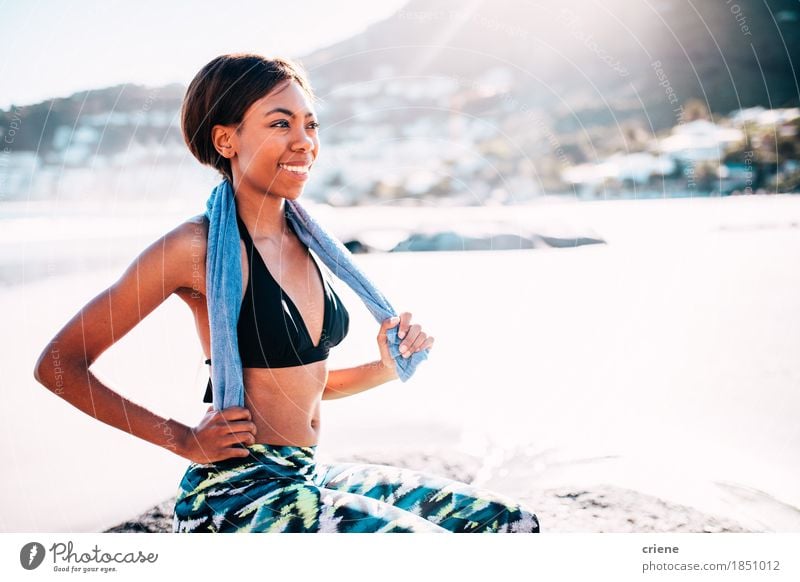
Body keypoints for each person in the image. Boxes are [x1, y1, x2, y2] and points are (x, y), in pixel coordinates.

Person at [33, 53, 540, 533]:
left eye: (310, 124)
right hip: (237, 494)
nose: (305, 142)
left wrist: (386, 366)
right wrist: (182, 439)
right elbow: (59, 364)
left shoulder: (311, 240)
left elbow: (305, 387)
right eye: (281, 123)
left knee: (513, 523)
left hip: (305, 474)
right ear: (226, 140)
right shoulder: (196, 248)